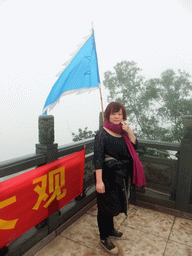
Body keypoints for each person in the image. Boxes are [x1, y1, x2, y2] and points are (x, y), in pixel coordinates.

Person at [93, 102, 146, 255]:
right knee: (104, 208)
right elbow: (98, 158)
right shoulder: (102, 134)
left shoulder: (122, 132)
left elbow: (134, 146)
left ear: (123, 116)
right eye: (113, 114)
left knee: (114, 204)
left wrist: (129, 130)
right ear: (108, 115)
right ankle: (104, 238)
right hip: (106, 177)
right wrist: (99, 181)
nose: (117, 117)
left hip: (120, 177)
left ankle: (110, 229)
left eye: (120, 114)